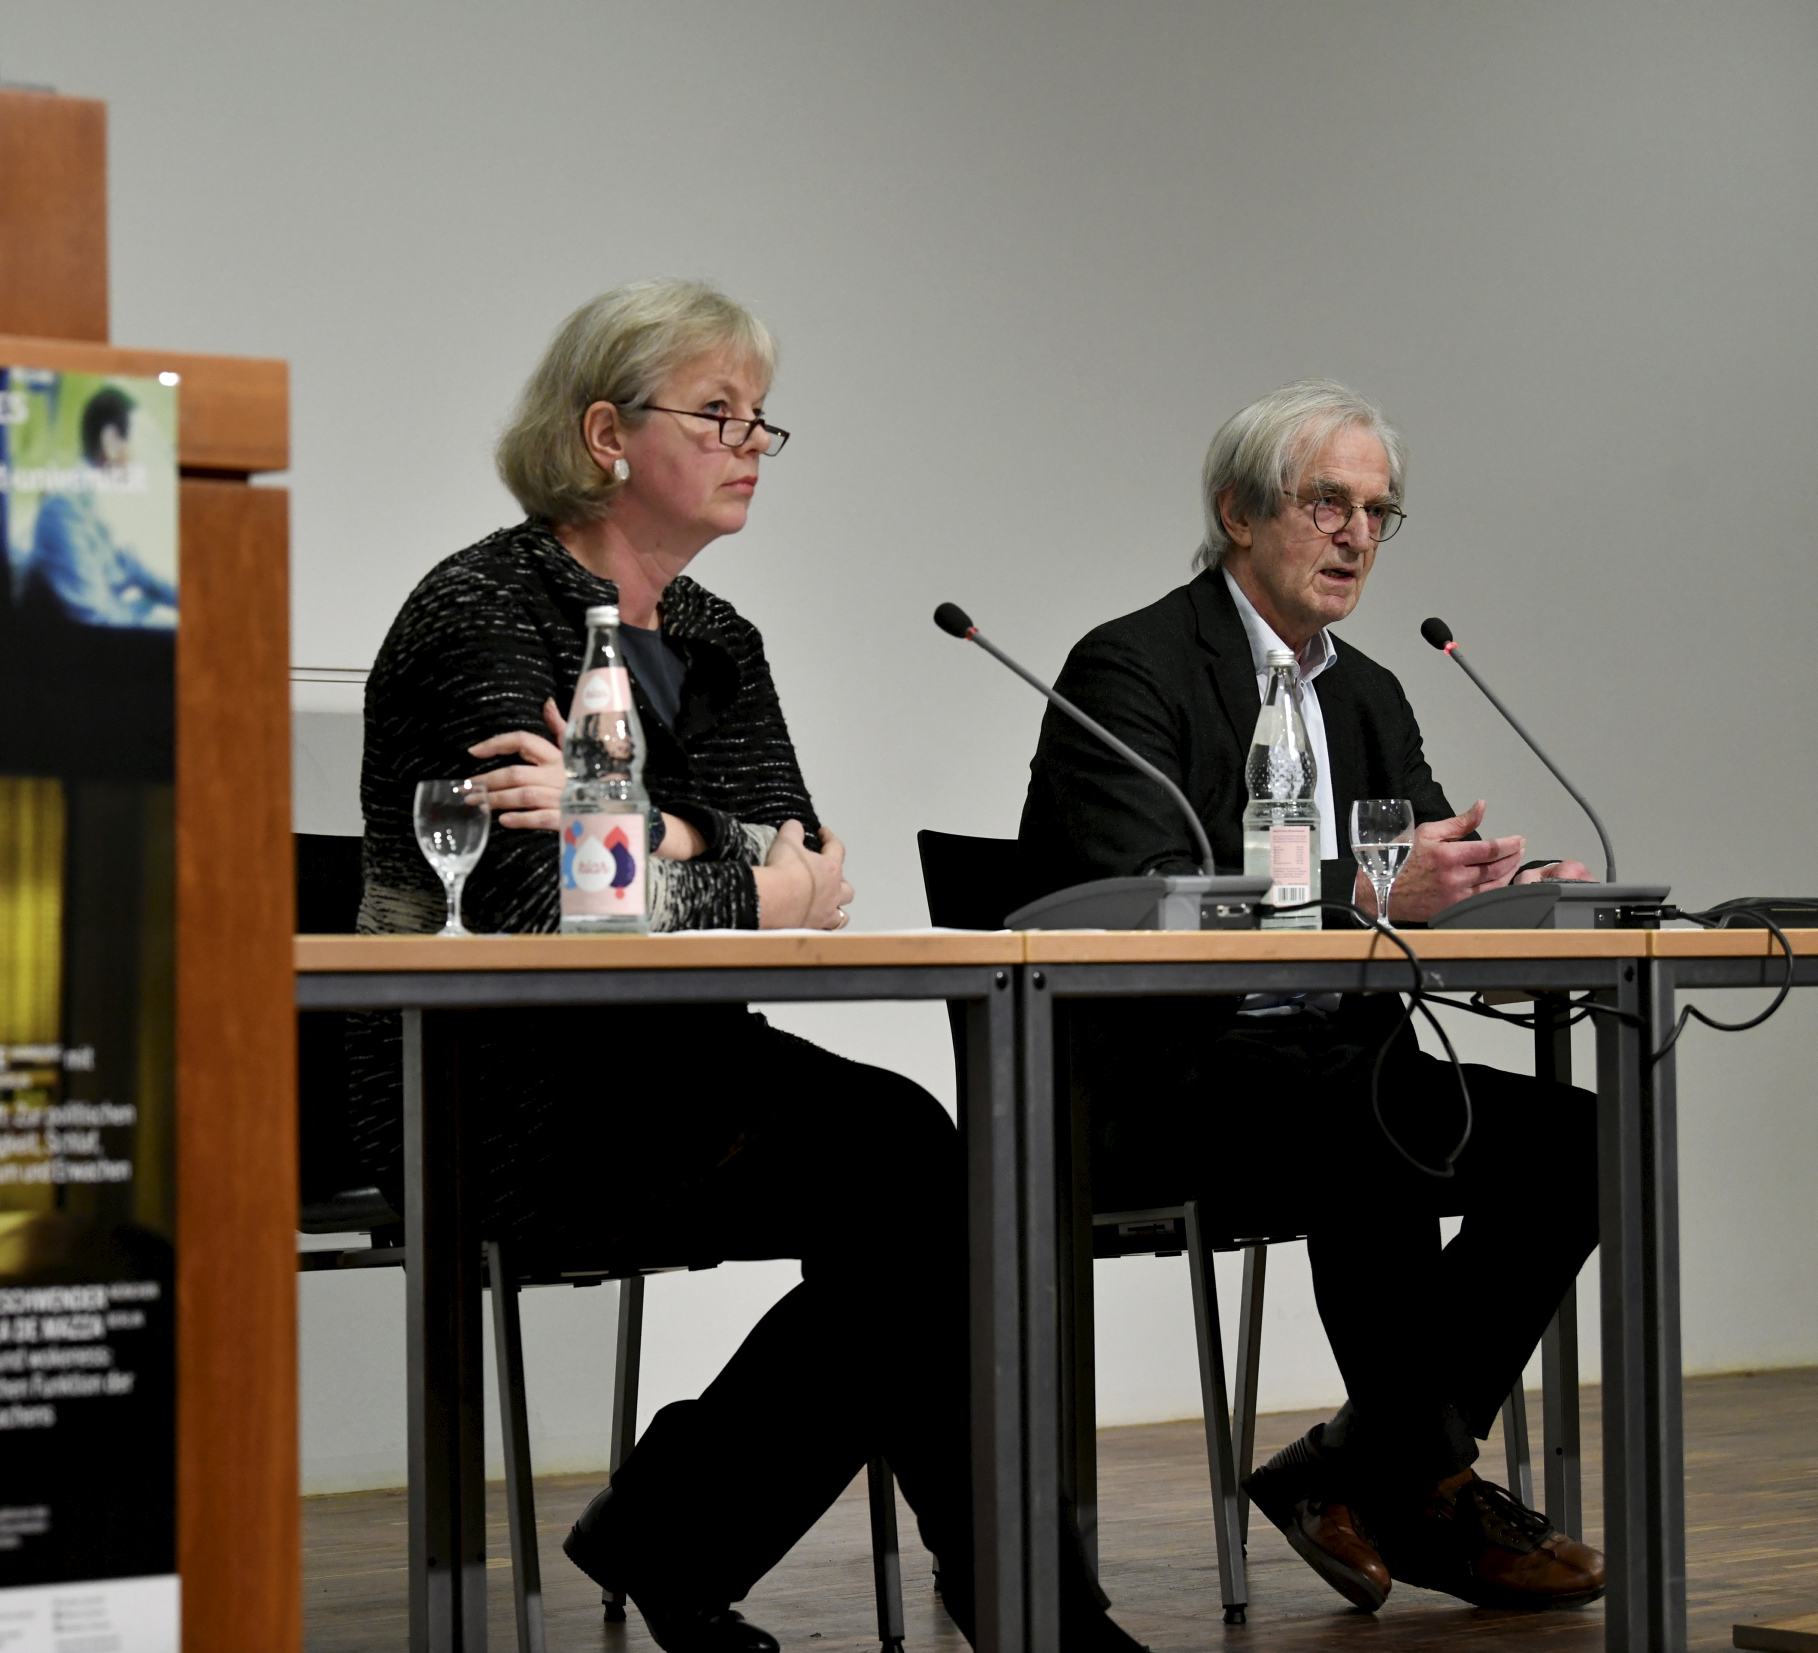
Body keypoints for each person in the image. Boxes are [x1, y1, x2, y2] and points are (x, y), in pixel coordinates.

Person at [349, 280, 1140, 1653]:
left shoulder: (716, 638)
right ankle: (944, 1586)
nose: (751, 445)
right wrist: (723, 860)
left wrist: (657, 832)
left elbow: (803, 869)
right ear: (606, 432)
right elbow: (544, 906)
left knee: (921, 1164)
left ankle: (715, 1537)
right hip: (486, 1081)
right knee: (905, 1168)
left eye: (761, 418)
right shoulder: (481, 610)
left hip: (676, 1062)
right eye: (715, 414)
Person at [1016, 379, 1609, 1614]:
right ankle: (1426, 1489)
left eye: (1376, 513)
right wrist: (1376, 889)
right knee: (1367, 1121)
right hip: (1157, 1079)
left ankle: (1358, 1467)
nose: (1354, 536)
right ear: (1237, 512)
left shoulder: (1367, 691)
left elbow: (1415, 880)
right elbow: (1147, 897)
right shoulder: (1129, 668)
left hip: (1333, 1062)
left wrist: (1503, 889)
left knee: (1586, 1142)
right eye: (1325, 504)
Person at [21, 385, 177, 627]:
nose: (143, 458)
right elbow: (95, 616)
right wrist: (157, 620)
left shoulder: (94, 504)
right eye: (140, 441)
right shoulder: (63, 511)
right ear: (111, 441)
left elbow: (136, 571)